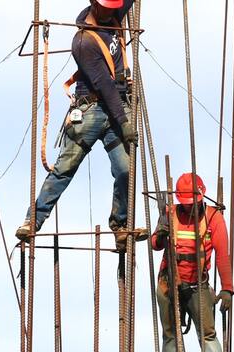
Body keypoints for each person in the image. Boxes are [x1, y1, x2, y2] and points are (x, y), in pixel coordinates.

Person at [15, 0, 144, 252]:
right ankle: (34, 220)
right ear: (94, 5)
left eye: (113, 7)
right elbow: (104, 86)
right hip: (93, 110)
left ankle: (120, 225)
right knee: (64, 169)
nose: (111, 11)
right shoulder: (83, 42)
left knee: (125, 170)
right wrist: (125, 122)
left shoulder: (114, 13)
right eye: (106, 7)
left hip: (119, 107)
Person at [150, 173, 234, 352]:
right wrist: (161, 234)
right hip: (170, 284)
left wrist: (227, 288)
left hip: (198, 286)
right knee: (170, 333)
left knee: (207, 333)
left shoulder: (213, 217)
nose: (188, 209)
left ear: (201, 198)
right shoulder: (170, 214)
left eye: (192, 204)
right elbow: (155, 245)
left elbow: (222, 255)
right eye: (185, 205)